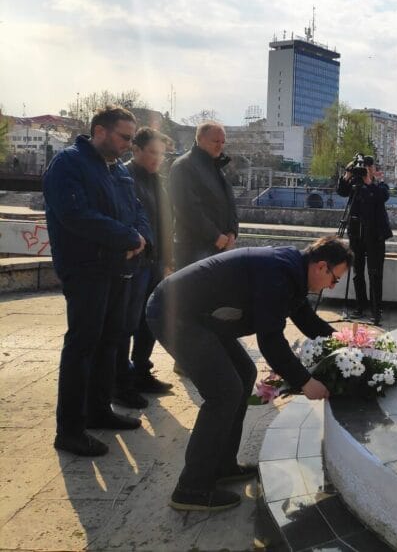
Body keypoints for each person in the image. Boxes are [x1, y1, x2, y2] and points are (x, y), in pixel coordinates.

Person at [146, 237, 352, 512]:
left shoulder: (293, 271)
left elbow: (305, 319)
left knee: (244, 372)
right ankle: (192, 488)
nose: (331, 286)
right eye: (334, 279)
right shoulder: (279, 273)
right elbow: (270, 340)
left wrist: (345, 343)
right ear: (321, 267)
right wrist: (305, 381)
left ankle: (221, 464)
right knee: (224, 392)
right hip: (175, 314)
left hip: (200, 317)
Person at [43, 106, 153, 457]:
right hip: (86, 269)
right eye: (124, 137)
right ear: (100, 131)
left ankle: (99, 410)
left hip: (117, 270)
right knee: (82, 346)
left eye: (131, 138)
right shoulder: (69, 164)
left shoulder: (117, 171)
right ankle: (70, 430)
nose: (127, 144)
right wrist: (128, 237)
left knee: (110, 341)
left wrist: (141, 239)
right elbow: (76, 216)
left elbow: (137, 212)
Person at [113, 128, 175, 408]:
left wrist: (167, 260)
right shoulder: (123, 177)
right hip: (135, 262)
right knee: (126, 322)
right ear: (135, 149)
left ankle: (141, 371)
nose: (157, 158)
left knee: (148, 320)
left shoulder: (156, 181)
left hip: (155, 262)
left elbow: (164, 223)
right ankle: (120, 382)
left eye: (161, 153)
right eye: (152, 152)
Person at [169, 121, 239, 269]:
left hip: (220, 245)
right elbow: (186, 208)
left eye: (222, 142)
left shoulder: (218, 167)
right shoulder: (183, 166)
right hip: (195, 247)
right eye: (215, 141)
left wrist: (232, 232)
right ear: (199, 139)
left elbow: (230, 203)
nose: (220, 146)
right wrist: (214, 235)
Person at [337, 156, 392, 323]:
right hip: (356, 233)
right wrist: (347, 173)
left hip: (375, 235)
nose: (366, 169)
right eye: (364, 167)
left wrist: (369, 180)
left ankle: (376, 310)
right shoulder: (355, 184)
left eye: (370, 166)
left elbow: (382, 197)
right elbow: (342, 191)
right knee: (357, 272)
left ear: (374, 169)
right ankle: (360, 306)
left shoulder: (380, 185)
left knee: (375, 273)